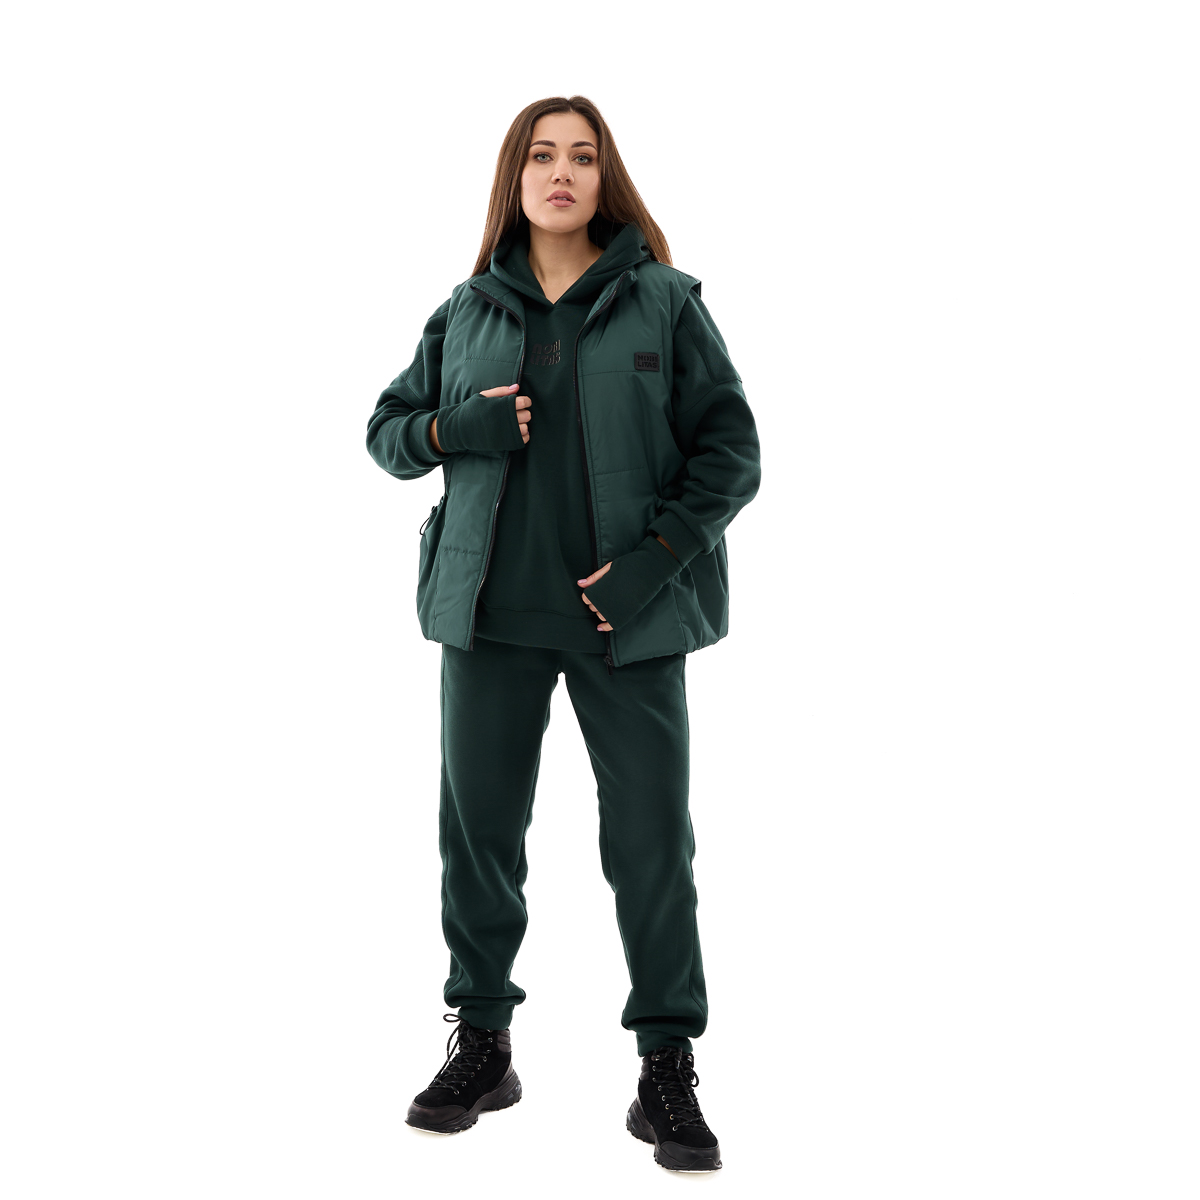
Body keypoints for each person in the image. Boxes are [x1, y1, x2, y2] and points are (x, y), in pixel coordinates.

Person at [365, 95, 760, 1173]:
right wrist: (459, 425)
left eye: (583, 156)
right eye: (542, 155)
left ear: (604, 177)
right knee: (478, 840)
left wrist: (650, 566)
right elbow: (388, 435)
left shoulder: (665, 302)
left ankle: (666, 1066)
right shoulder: (466, 310)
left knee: (652, 846)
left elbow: (731, 453)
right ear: (516, 177)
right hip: (488, 618)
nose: (562, 172)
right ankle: (483, 1044)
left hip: (628, 624)